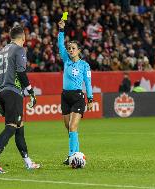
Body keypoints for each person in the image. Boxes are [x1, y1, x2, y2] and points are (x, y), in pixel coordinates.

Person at [0, 25, 40, 174]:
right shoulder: (19, 50)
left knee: (19, 128)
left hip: (3, 91)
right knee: (11, 127)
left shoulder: (1, 51)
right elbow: (21, 73)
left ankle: (28, 162)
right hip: (13, 92)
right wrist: (31, 93)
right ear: (23, 37)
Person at [58, 20, 93, 165]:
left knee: (73, 127)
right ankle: (75, 153)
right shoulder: (66, 60)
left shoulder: (85, 65)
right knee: (69, 128)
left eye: (73, 48)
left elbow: (88, 83)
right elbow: (60, 45)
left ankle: (72, 156)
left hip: (78, 97)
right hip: (65, 96)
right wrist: (61, 31)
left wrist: (90, 99)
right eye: (69, 48)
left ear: (79, 50)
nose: (70, 50)